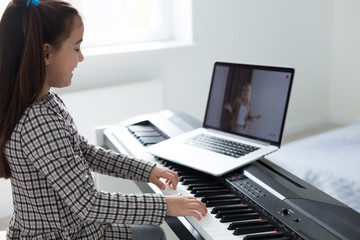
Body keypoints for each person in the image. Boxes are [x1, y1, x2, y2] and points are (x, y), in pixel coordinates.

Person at [0, 0, 207, 239]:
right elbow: (89, 204)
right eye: (76, 48)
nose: (81, 58)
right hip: (65, 235)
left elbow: (84, 152)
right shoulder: (39, 123)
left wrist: (146, 171)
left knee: (153, 233)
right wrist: (166, 206)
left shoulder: (44, 102)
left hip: (71, 228)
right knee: (155, 234)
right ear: (46, 53)